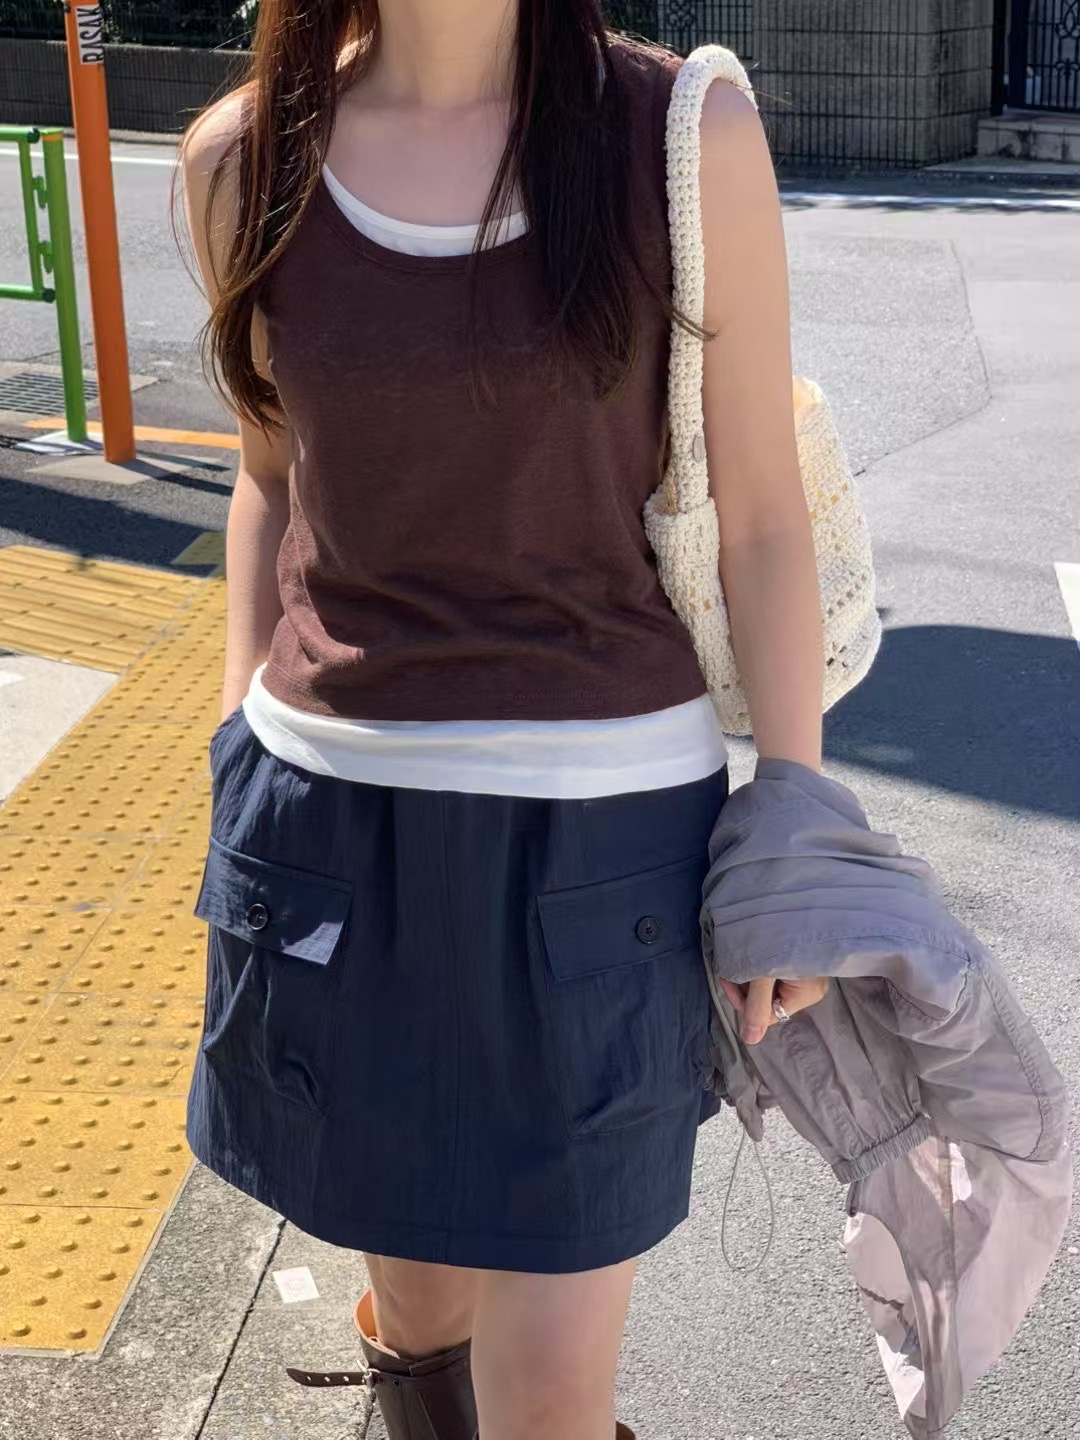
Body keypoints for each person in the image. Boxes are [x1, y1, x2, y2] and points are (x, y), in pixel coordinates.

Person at [180, 3, 827, 1437]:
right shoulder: (245, 159)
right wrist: (236, 733)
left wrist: (796, 805)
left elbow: (764, 514)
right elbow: (269, 476)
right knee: (423, 1329)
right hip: (332, 831)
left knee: (544, 1395)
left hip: (601, 850)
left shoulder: (681, 135)